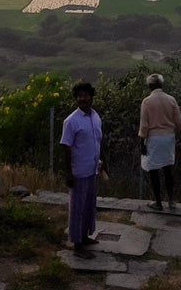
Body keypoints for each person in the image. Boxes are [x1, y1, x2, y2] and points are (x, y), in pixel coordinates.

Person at [60, 80, 105, 259]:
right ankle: (77, 245)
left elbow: (99, 141)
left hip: (92, 169)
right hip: (78, 172)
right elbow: (66, 148)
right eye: (79, 96)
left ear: (91, 97)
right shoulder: (71, 121)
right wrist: (68, 173)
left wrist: (103, 162)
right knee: (77, 208)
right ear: (76, 99)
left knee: (88, 206)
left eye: (86, 95)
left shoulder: (95, 116)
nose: (83, 99)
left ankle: (85, 236)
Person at [139, 72, 181, 210]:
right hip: (168, 138)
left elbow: (144, 126)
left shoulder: (147, 102)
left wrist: (141, 143)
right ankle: (171, 200)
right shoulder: (171, 100)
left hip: (153, 138)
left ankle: (158, 202)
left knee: (153, 170)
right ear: (161, 84)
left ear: (150, 86)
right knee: (167, 169)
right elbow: (179, 122)